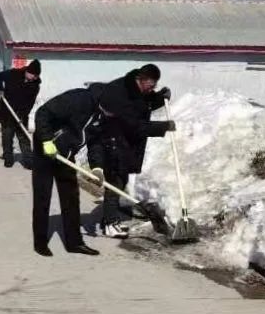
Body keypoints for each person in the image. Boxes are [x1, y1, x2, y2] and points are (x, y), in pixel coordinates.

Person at [95, 64, 175, 238]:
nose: (153, 88)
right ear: (142, 79)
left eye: (155, 86)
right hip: (113, 140)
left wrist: (161, 98)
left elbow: (145, 104)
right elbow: (133, 124)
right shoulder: (119, 92)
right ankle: (110, 224)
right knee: (115, 181)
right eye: (151, 85)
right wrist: (162, 127)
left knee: (120, 179)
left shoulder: (137, 89)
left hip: (125, 142)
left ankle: (110, 218)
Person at [32, 83, 107, 257]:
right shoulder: (78, 98)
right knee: (43, 196)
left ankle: (74, 242)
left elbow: (95, 142)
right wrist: (46, 140)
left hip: (66, 154)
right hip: (45, 149)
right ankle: (40, 242)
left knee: (71, 198)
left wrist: (97, 167)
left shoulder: (103, 115)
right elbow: (43, 113)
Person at [0, 60, 41, 169]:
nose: (34, 78)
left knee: (24, 138)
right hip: (7, 111)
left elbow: (30, 103)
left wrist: (22, 115)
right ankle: (8, 158)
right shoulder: (13, 74)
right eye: (33, 75)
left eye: (36, 76)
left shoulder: (35, 86)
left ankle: (28, 161)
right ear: (27, 71)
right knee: (7, 136)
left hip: (21, 114)